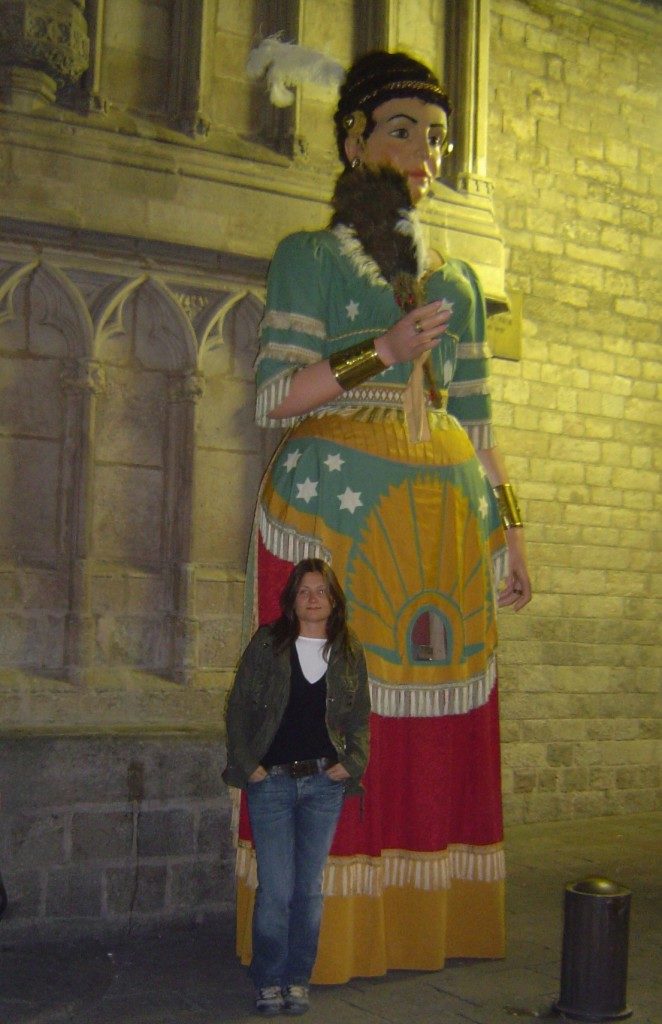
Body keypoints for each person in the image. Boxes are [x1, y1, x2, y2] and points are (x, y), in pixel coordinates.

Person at [235, 49, 532, 984]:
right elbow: (275, 399)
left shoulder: (464, 283)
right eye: (402, 129)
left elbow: (479, 430)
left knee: (434, 732)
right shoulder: (311, 258)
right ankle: (325, 933)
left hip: (444, 525)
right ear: (354, 138)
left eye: (436, 136)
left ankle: (423, 920)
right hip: (338, 520)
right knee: (335, 721)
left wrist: (513, 532)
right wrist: (384, 349)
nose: (422, 151)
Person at [224, 558, 370, 1016]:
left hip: (324, 785)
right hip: (272, 785)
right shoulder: (268, 644)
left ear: (333, 601)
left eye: (321, 591)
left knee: (308, 889)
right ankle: (268, 979)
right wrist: (249, 766)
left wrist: (353, 763)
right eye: (304, 590)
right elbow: (239, 708)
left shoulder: (347, 649)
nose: (312, 598)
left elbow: (360, 715)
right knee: (276, 889)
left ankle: (297, 979)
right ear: (292, 599)